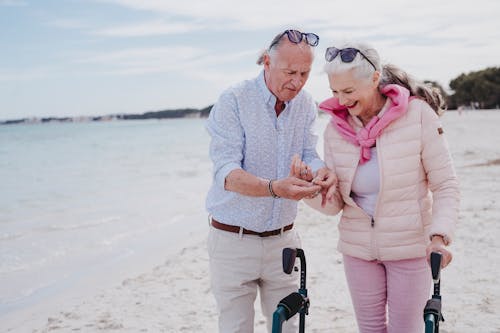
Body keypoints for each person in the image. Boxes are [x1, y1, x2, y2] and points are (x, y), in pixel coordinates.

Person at [294, 42, 460, 332]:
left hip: (409, 248)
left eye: (348, 91)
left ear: (374, 79)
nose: (341, 101)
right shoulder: (335, 130)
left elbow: (445, 184)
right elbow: (335, 206)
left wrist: (439, 237)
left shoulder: (418, 115)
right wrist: (310, 186)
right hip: (358, 251)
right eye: (334, 91)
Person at [205, 29, 336, 333]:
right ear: (266, 61)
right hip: (232, 241)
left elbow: (307, 152)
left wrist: (319, 171)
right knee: (235, 328)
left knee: (289, 327)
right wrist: (274, 188)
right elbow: (226, 173)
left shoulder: (304, 103)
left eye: (304, 73)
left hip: (283, 241)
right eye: (290, 71)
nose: (297, 81)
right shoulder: (233, 100)